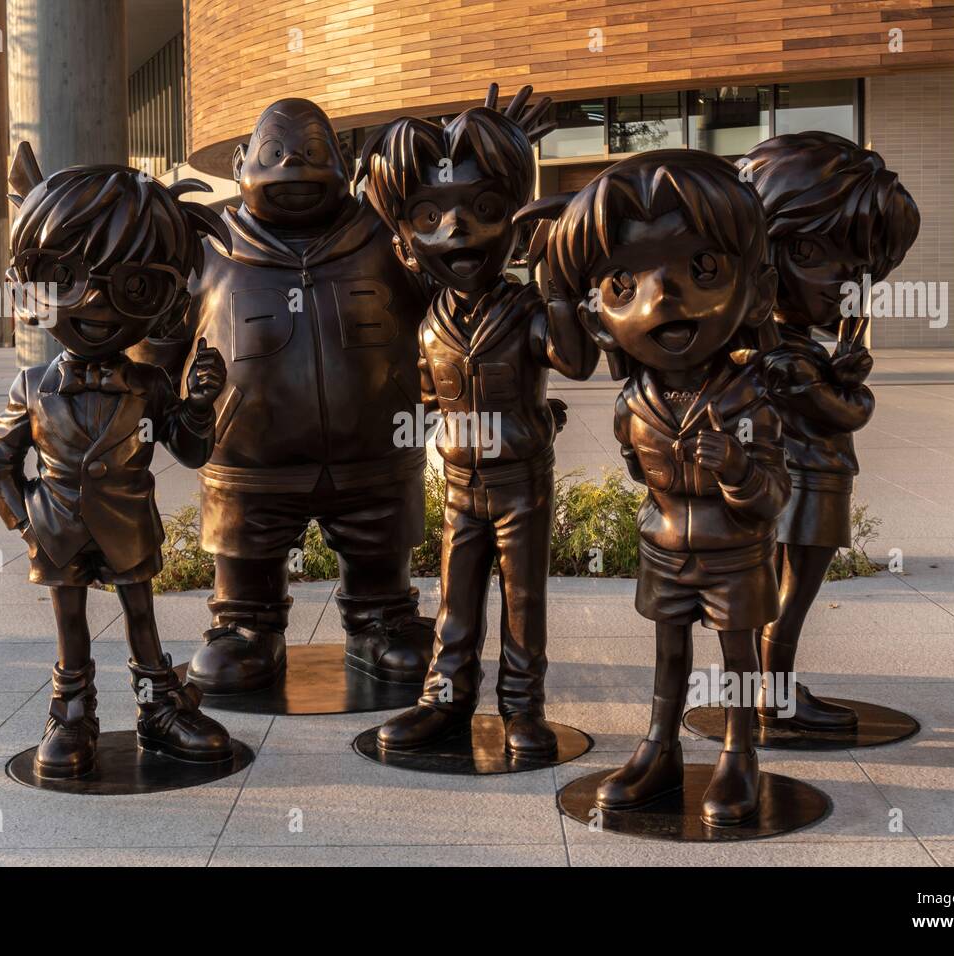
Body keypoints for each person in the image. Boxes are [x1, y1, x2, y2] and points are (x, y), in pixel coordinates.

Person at [133, 99, 435, 694]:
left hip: (374, 457)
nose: (293, 167)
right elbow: (156, 344)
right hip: (248, 465)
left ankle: (382, 619)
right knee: (246, 569)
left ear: (344, 163)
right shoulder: (207, 243)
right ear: (242, 161)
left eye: (314, 155)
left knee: (380, 560)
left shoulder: (388, 234)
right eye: (274, 156)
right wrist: (153, 410)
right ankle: (246, 624)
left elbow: (452, 304)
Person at [543, 150, 789, 825]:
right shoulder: (634, 404)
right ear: (598, 316)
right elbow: (634, 468)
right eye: (623, 283)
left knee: (736, 651)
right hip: (664, 549)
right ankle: (659, 746)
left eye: (702, 270)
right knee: (668, 647)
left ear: (758, 292)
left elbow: (773, 494)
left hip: (735, 552)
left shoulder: (749, 401)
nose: (662, 299)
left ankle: (740, 751)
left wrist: (735, 468)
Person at [0, 143, 236, 778]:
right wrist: (25, 520)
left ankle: (158, 707)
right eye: (64, 276)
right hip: (57, 529)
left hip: (126, 526)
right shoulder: (32, 386)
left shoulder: (148, 383)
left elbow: (191, 448)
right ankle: (71, 711)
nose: (94, 303)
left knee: (141, 614)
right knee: (71, 623)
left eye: (133, 285)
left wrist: (200, 402)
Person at [360, 86, 597, 756]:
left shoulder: (525, 308)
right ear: (406, 239)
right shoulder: (430, 321)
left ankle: (523, 706)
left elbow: (575, 360)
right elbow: (426, 394)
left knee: (524, 600)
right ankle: (445, 699)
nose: (456, 233)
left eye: (484, 210)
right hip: (461, 484)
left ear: (514, 220)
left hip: (522, 480)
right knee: (454, 599)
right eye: (430, 217)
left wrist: (561, 286)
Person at [743, 132, 920, 731]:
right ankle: (776, 691)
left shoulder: (785, 347)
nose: (847, 283)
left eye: (862, 267)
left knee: (781, 592)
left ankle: (769, 687)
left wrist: (841, 368)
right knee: (791, 596)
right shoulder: (782, 356)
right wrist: (850, 387)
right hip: (808, 486)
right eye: (817, 256)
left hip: (798, 485)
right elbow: (846, 413)